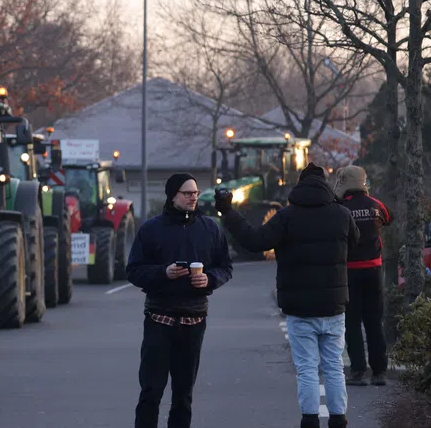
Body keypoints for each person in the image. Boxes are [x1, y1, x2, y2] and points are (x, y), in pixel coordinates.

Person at [215, 163, 359, 428]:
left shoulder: (286, 217)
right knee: (334, 366)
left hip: (299, 308)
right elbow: (355, 241)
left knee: (306, 368)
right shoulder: (341, 214)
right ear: (326, 185)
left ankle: (310, 420)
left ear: (299, 185)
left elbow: (255, 241)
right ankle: (338, 419)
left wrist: (228, 212)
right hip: (334, 306)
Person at [126, 173, 233, 428]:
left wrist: (209, 279)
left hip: (194, 320)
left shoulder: (210, 228)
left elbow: (225, 267)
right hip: (159, 319)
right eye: (187, 193)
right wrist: (164, 273)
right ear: (173, 195)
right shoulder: (151, 229)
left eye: (195, 193)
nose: (193, 197)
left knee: (183, 395)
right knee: (151, 391)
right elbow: (133, 270)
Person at [332, 165, 391, 387]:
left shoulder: (341, 208)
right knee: (375, 322)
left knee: (353, 321)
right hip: (374, 271)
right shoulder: (376, 205)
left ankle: (358, 372)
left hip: (349, 272)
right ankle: (380, 372)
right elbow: (389, 218)